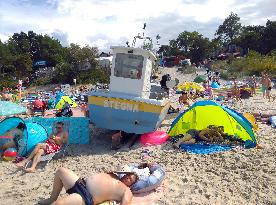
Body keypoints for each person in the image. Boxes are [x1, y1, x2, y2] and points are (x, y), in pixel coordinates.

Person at [38, 167, 138, 205]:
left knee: (59, 204)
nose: (127, 178)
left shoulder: (127, 190)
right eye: (127, 175)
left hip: (87, 197)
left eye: (130, 179)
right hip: (81, 183)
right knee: (61, 171)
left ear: (132, 185)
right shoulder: (114, 175)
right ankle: (51, 198)